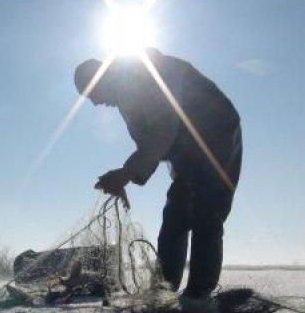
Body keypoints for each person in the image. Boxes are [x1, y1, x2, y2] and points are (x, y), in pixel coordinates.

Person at [74, 48, 242, 300]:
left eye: (91, 94)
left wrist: (126, 173)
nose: (96, 103)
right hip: (185, 146)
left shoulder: (139, 76)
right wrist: (127, 176)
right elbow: (151, 144)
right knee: (176, 213)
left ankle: (198, 294)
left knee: (206, 211)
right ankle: (163, 291)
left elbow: (163, 130)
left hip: (215, 132)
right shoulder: (124, 94)